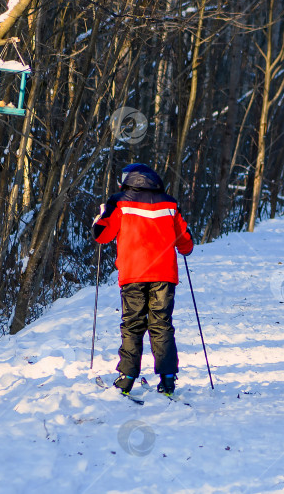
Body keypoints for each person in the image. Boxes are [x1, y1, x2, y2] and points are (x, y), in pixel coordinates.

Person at [92, 163, 194, 396]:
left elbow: (102, 235)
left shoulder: (119, 202)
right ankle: (168, 379)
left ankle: (127, 377)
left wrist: (99, 216)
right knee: (161, 325)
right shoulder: (169, 203)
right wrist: (185, 246)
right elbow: (185, 242)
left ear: (126, 180)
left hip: (133, 274)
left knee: (133, 325)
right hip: (164, 275)